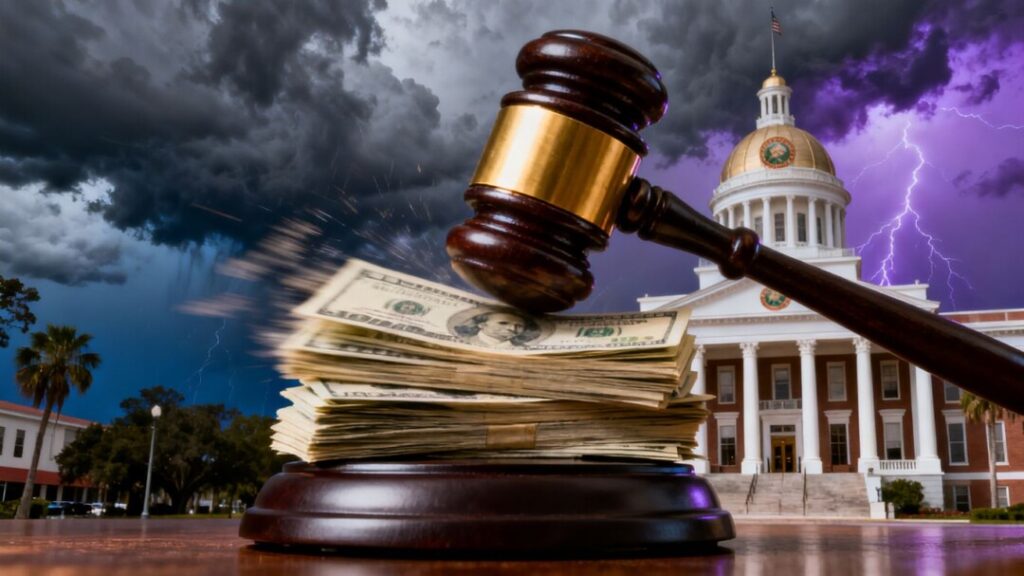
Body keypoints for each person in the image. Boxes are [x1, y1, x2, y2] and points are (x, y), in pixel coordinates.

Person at [456, 310, 538, 349]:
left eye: (519, 326)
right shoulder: (464, 341)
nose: (513, 329)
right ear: (482, 324)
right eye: (503, 323)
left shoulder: (523, 348)